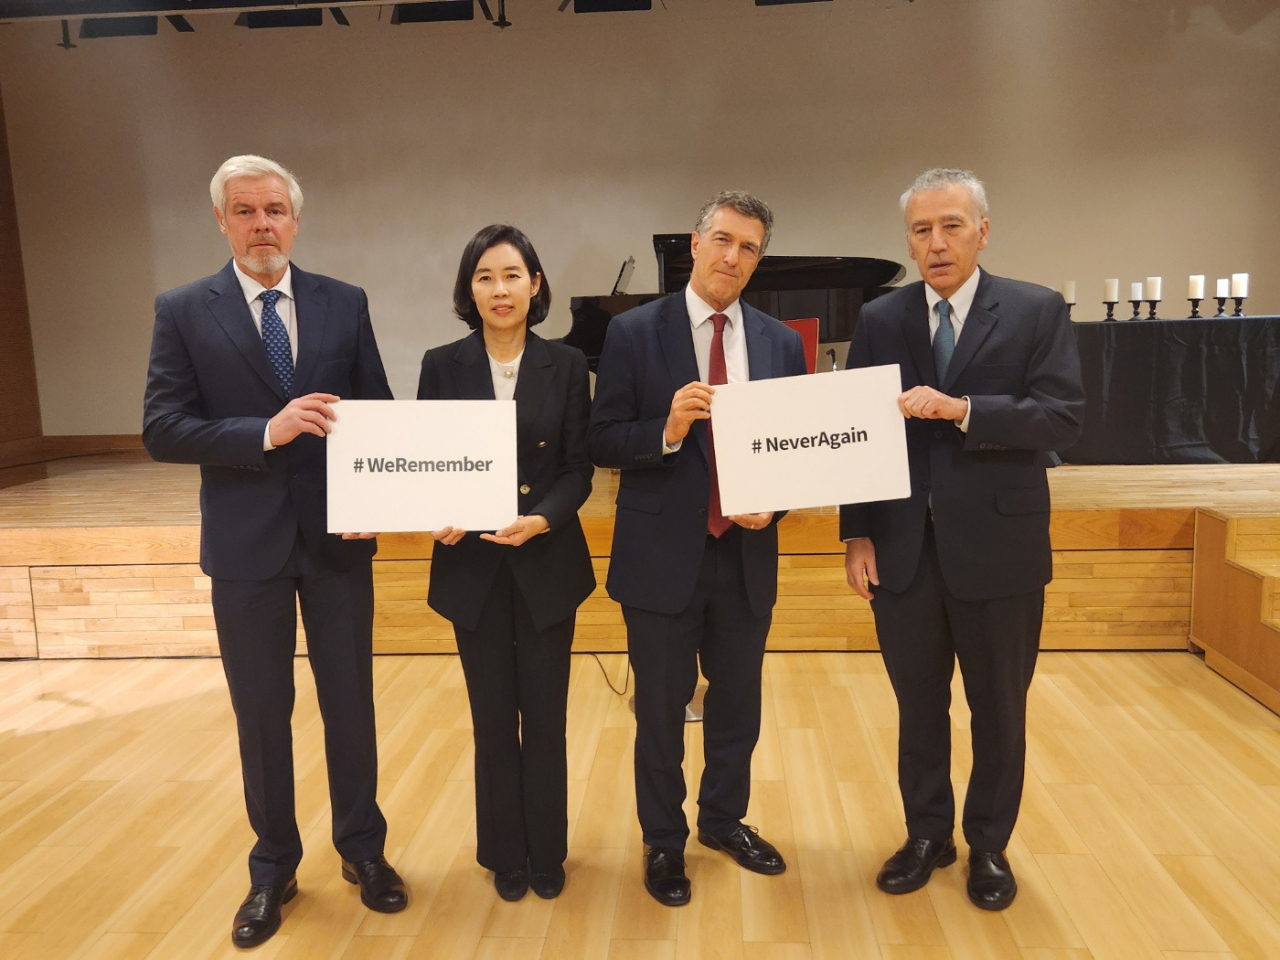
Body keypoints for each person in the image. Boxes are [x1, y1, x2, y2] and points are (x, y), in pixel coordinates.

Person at [143, 155, 407, 949]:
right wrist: (265, 430)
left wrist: (377, 500)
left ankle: (364, 851)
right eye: (246, 211)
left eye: (275, 211)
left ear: (296, 220)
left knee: (350, 706)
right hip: (245, 546)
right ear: (222, 222)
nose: (263, 225)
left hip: (337, 541)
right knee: (263, 716)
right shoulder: (185, 309)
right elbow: (162, 427)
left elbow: (377, 414)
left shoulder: (343, 302)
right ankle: (273, 868)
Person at [841, 168, 1084, 910]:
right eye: (922, 230)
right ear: (908, 242)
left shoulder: (1036, 310)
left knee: (998, 710)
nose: (936, 242)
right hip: (902, 550)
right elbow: (857, 433)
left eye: (951, 226)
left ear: (983, 229)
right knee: (918, 706)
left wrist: (963, 409)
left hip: (1000, 551)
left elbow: (1061, 416)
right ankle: (926, 835)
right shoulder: (881, 319)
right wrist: (856, 533)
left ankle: (988, 847)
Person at [588, 191, 808, 907]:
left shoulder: (780, 343)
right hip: (660, 556)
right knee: (659, 711)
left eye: (748, 248)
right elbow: (603, 438)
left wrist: (774, 503)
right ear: (694, 242)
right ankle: (663, 841)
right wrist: (668, 429)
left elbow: (797, 451)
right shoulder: (634, 333)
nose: (731, 257)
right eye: (722, 240)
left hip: (746, 554)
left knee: (738, 706)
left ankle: (722, 821)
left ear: (758, 260)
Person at [417, 224, 595, 903]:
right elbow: (430, 456)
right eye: (486, 276)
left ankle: (548, 850)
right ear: (470, 289)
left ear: (536, 284)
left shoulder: (569, 365)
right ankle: (504, 854)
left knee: (546, 717)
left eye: (513, 275)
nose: (500, 288)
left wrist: (543, 516)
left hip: (546, 560)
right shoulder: (443, 364)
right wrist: (437, 506)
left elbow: (579, 469)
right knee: (492, 716)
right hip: (473, 569)